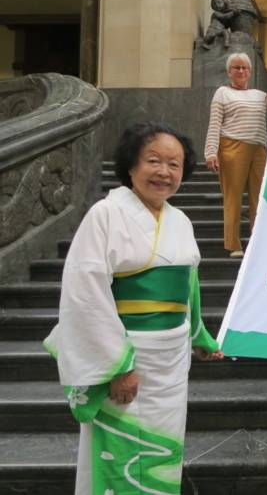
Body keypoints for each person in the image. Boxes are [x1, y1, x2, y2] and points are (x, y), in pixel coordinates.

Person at [43, 121, 223, 495]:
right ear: (131, 166)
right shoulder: (105, 215)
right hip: (128, 357)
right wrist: (116, 365)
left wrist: (198, 334)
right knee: (120, 451)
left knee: (162, 451)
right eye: (153, 161)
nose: (164, 172)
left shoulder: (181, 221)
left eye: (174, 165)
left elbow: (187, 284)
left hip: (171, 362)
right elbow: (85, 292)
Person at [204, 52, 267, 257]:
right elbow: (215, 123)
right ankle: (234, 245)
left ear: (250, 72)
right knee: (233, 198)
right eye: (237, 67)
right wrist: (210, 152)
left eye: (245, 68)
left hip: (259, 149)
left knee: (259, 198)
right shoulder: (222, 93)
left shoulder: (260, 95)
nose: (241, 71)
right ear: (229, 72)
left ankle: (257, 242)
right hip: (231, 147)